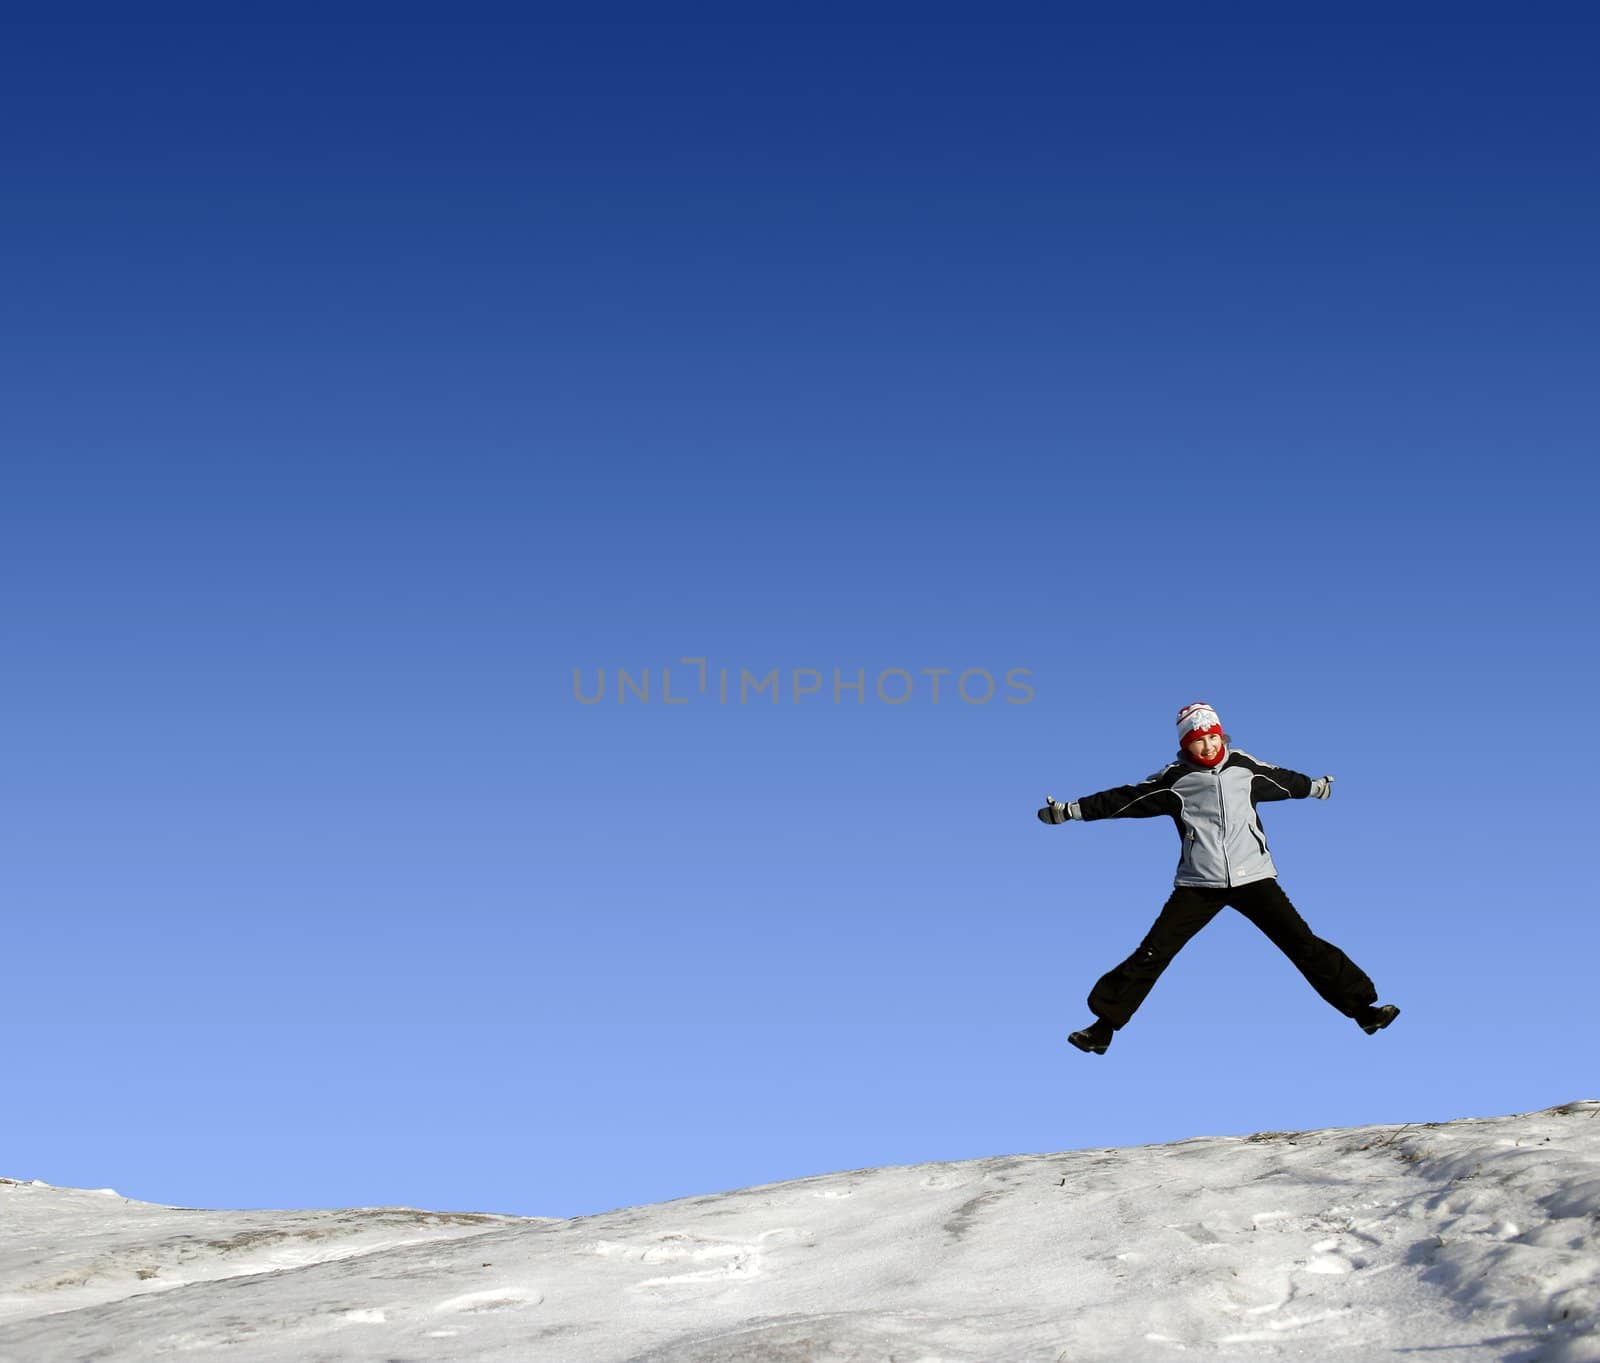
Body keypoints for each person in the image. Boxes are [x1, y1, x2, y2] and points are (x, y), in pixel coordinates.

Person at [1037, 702, 1399, 1055]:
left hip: (1254, 878)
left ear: (1222, 737)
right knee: (1153, 952)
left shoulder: (1244, 768)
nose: (1208, 745)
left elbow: (1285, 781)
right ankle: (1102, 1029)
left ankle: (1364, 1011)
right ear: (1185, 745)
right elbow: (1123, 800)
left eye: (1213, 737)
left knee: (1302, 943)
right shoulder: (1175, 781)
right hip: (1199, 884)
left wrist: (1317, 787)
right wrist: (1070, 811)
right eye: (1198, 739)